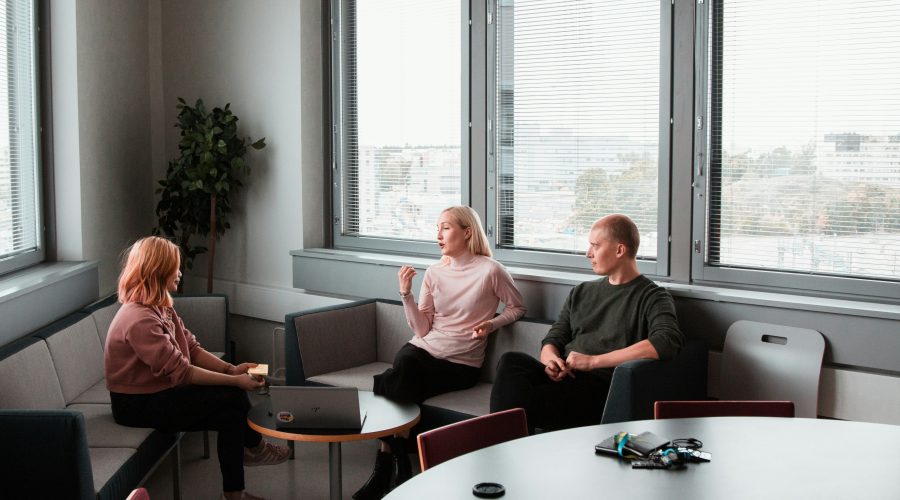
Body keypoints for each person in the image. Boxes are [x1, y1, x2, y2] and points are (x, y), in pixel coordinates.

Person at [354, 205, 526, 500]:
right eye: (437, 228)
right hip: (425, 349)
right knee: (406, 363)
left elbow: (518, 307)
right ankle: (395, 464)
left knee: (392, 379)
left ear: (467, 232)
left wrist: (492, 323)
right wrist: (406, 293)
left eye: (445, 227)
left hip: (461, 363)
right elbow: (421, 330)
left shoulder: (491, 271)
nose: (438, 234)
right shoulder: (434, 272)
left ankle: (385, 467)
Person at [104, 236, 289, 500]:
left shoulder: (159, 306)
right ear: (158, 271)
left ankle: (236, 491)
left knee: (231, 414)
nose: (180, 272)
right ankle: (255, 448)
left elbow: (190, 348)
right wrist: (236, 382)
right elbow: (182, 372)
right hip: (135, 404)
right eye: (174, 267)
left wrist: (230, 370)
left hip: (156, 393)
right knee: (233, 399)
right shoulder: (139, 318)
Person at [489, 214, 683, 432]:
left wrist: (592, 362)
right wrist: (551, 361)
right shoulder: (581, 292)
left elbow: (666, 342)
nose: (588, 253)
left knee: (518, 406)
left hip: (598, 387)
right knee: (512, 362)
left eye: (595, 246)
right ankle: (504, 441)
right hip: (563, 377)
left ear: (620, 250)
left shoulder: (653, 296)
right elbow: (553, 339)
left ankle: (498, 444)